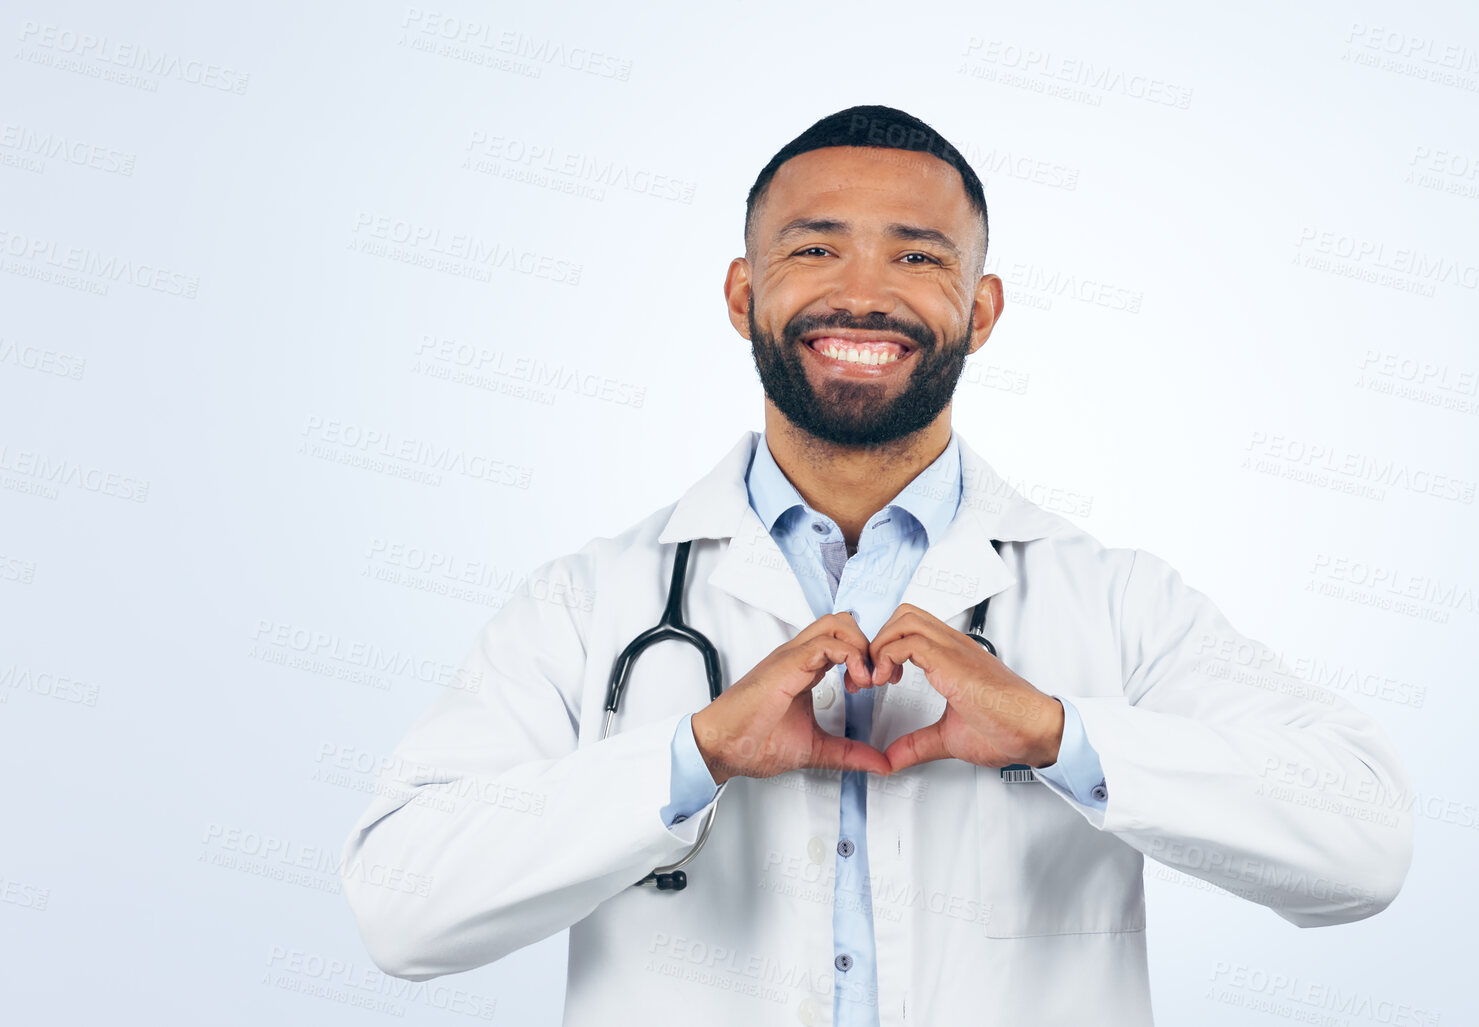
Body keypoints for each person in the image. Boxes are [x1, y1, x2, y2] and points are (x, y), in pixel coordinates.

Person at [340, 104, 1414, 1027]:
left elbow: (1362, 840)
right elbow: (399, 906)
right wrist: (694, 756)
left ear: (981, 312)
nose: (863, 295)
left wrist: (1060, 734)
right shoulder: (587, 603)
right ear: (739, 294)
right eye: (813, 250)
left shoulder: (1116, 603)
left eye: (918, 255)